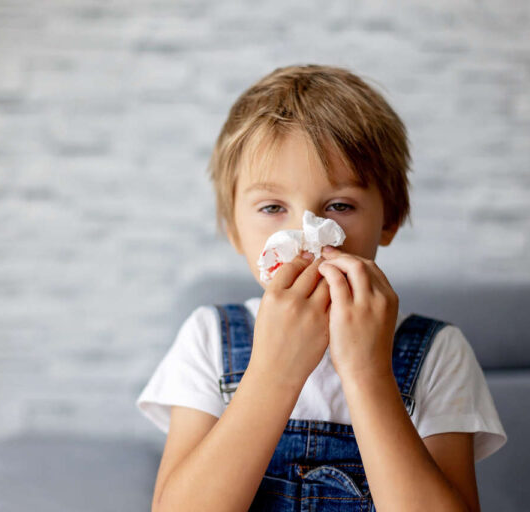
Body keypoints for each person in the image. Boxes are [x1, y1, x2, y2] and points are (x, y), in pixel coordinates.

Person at [136, 64, 507, 512]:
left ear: (387, 220)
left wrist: (367, 373)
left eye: (339, 206)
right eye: (272, 206)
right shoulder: (209, 339)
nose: (307, 234)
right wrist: (275, 372)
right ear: (234, 229)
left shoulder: (438, 353)